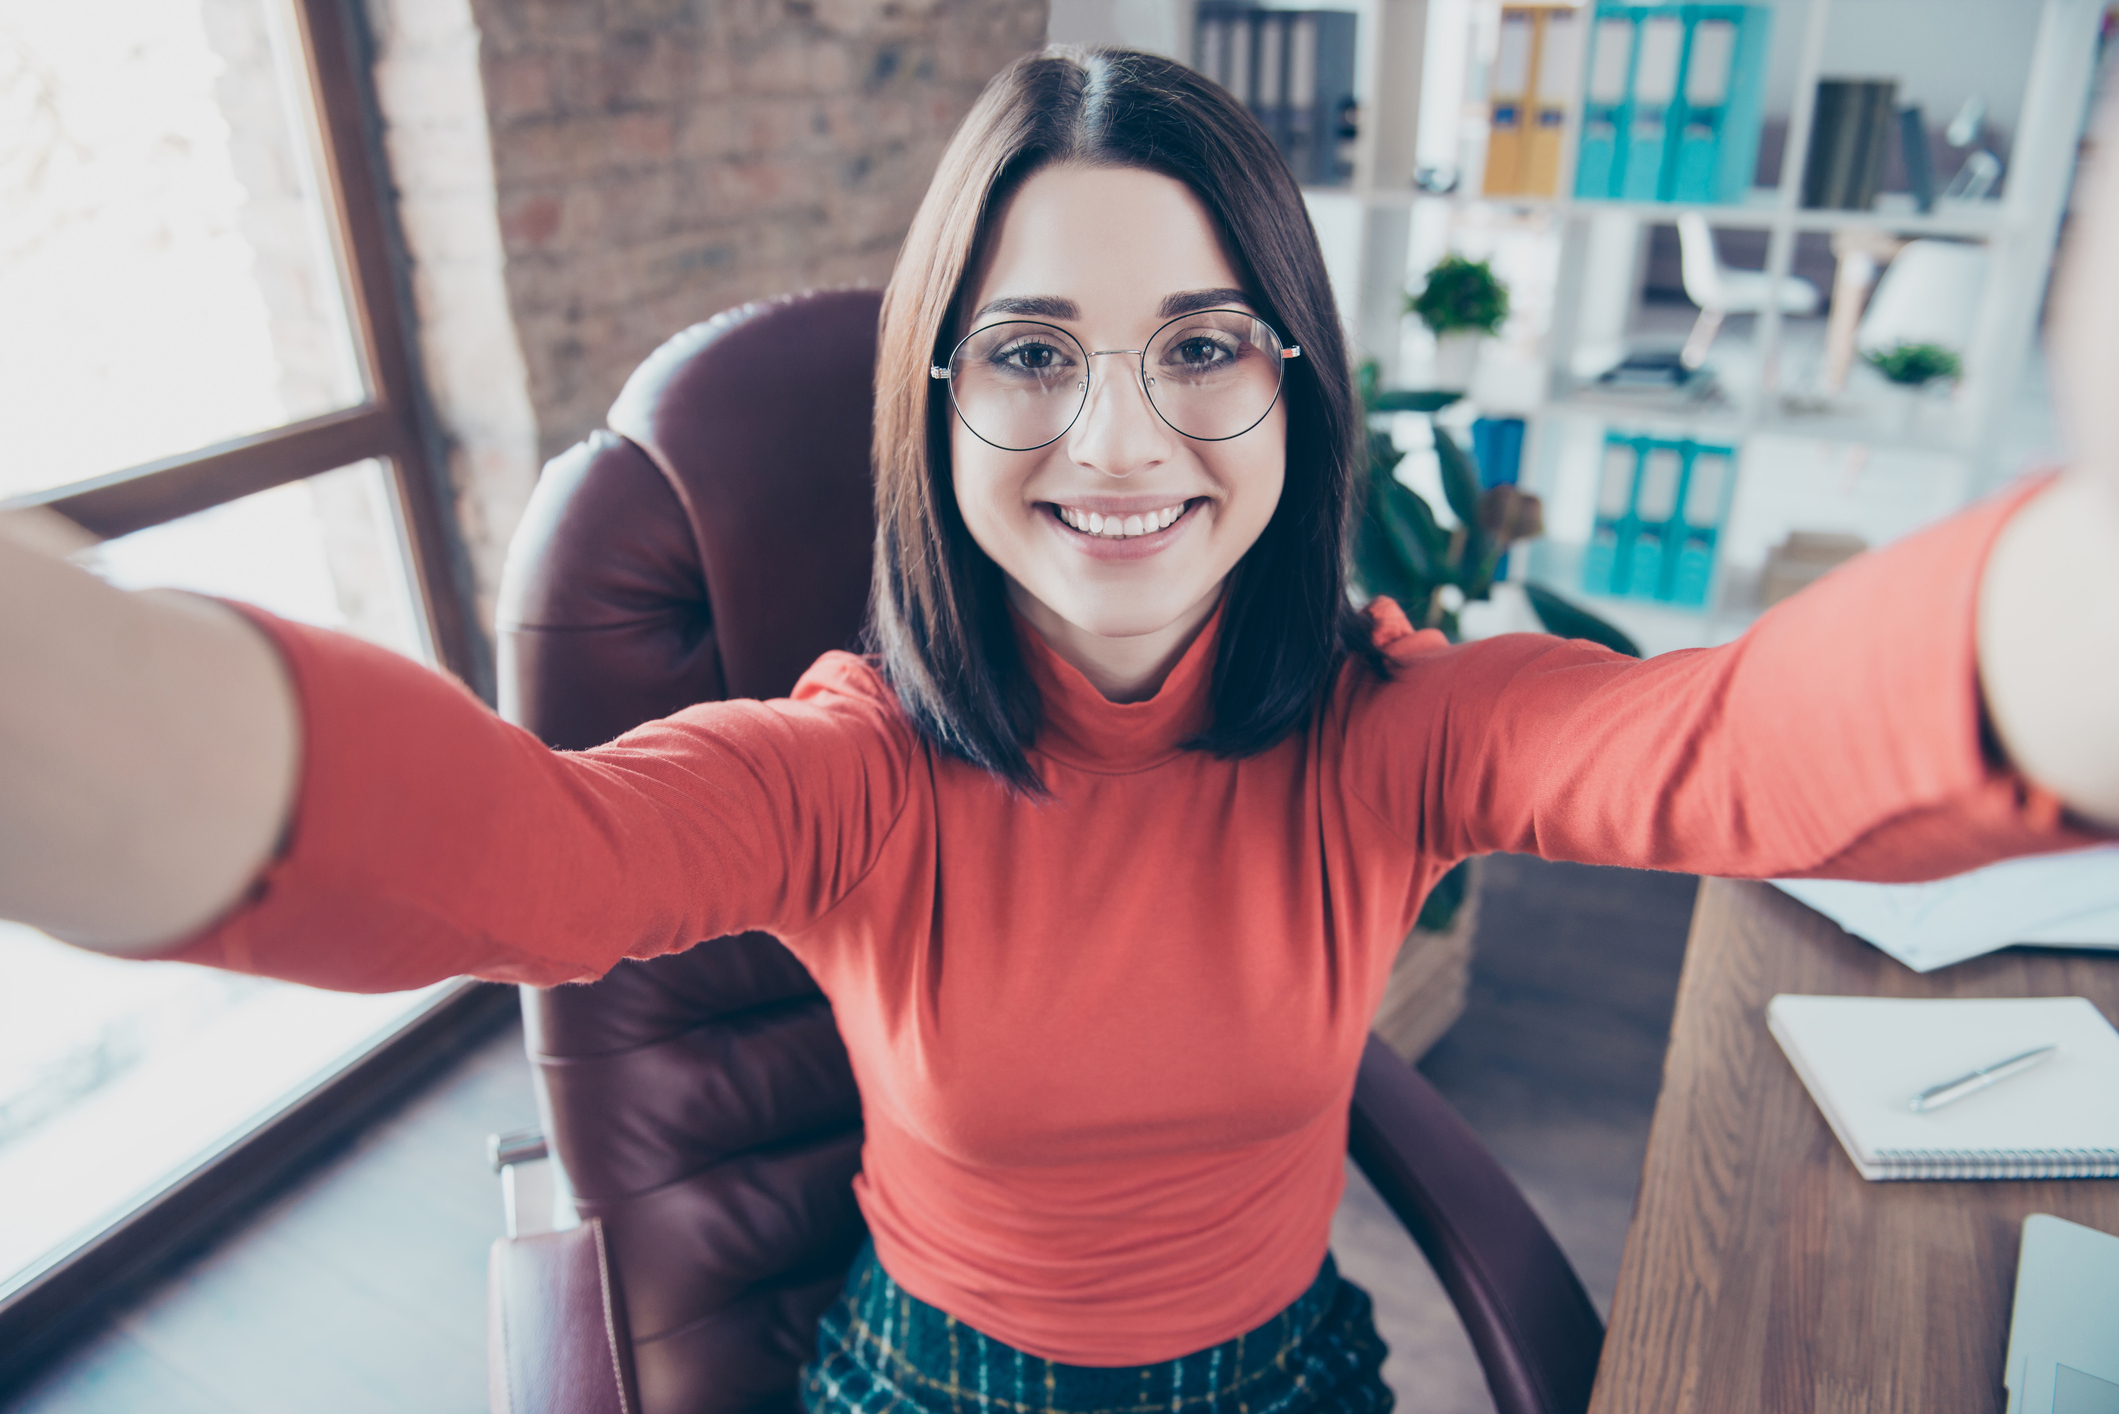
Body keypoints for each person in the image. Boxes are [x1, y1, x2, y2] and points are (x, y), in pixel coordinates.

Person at [3, 45, 2116, 1413]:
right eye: (1030, 351)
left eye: (1201, 342)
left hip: (1283, 1373)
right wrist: (68, 706)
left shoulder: (1385, 727)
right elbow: (523, 851)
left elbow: (1724, 742)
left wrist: (2074, 606)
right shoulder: (844, 768)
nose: (1119, 439)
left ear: (1295, 386)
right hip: (931, 1385)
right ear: (937, 403)